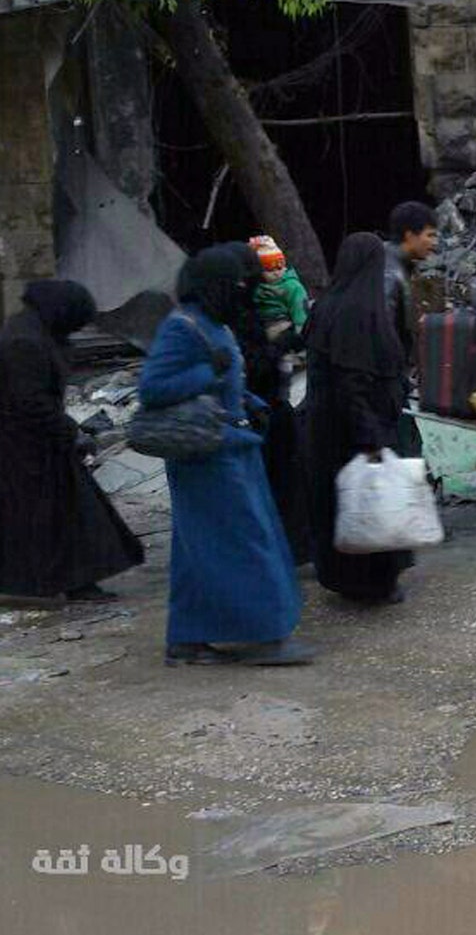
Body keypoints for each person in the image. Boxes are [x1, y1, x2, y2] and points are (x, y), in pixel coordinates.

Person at [139, 247, 310, 666]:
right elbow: (153, 388)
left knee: (202, 547)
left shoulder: (214, 324)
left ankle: (186, 639)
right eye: (237, 283)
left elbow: (227, 376)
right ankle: (266, 636)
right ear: (214, 285)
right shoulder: (182, 327)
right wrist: (208, 373)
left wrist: (248, 399)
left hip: (230, 446)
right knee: (245, 542)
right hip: (206, 455)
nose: (244, 289)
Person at [0, 281, 144, 605]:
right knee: (58, 515)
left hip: (35, 445)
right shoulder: (24, 341)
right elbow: (32, 401)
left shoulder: (32, 330)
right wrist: (71, 432)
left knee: (29, 517)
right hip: (31, 448)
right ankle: (73, 581)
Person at [305, 233, 416, 603]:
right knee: (370, 503)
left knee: (340, 504)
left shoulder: (327, 305)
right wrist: (371, 439)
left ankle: (345, 580)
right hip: (356, 429)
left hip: (326, 428)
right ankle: (373, 585)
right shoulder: (361, 314)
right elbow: (353, 382)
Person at [230, 241, 312, 566]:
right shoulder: (238, 315)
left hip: (271, 407)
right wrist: (279, 347)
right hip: (258, 412)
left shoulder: (253, 305)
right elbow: (253, 364)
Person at [384, 201, 439, 360]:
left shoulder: (400, 264)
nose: (434, 243)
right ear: (410, 236)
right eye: (430, 235)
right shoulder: (389, 273)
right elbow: (382, 328)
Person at [248, 235, 310, 341]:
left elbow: (300, 313)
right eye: (269, 269)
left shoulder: (292, 286)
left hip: (285, 329)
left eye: (280, 266)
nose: (276, 273)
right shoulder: (254, 286)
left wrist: (300, 334)